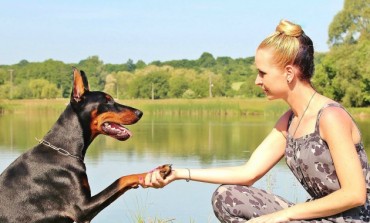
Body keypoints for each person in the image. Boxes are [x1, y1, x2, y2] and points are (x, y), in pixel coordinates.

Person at [141, 19, 370, 222]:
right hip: (317, 217)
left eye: (263, 73)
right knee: (226, 197)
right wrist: (180, 174)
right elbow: (249, 172)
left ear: (289, 73)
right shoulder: (290, 121)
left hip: (355, 220)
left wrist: (284, 214)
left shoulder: (330, 116)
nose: (256, 81)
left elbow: (355, 194)